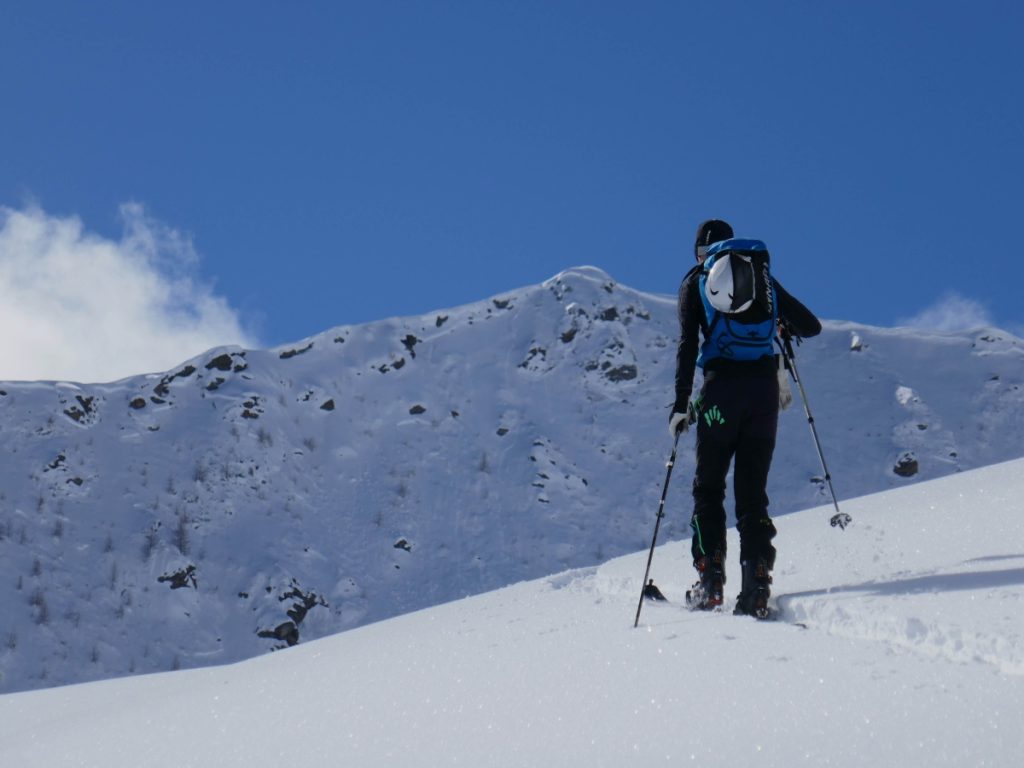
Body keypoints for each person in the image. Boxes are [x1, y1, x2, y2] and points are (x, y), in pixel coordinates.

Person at [670, 219, 821, 617]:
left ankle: (710, 579)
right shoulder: (764, 282)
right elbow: (812, 326)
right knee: (752, 496)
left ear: (700, 254)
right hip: (763, 395)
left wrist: (681, 404)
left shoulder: (694, 282)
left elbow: (688, 344)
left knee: (709, 489)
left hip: (720, 393)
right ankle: (755, 583)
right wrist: (780, 323)